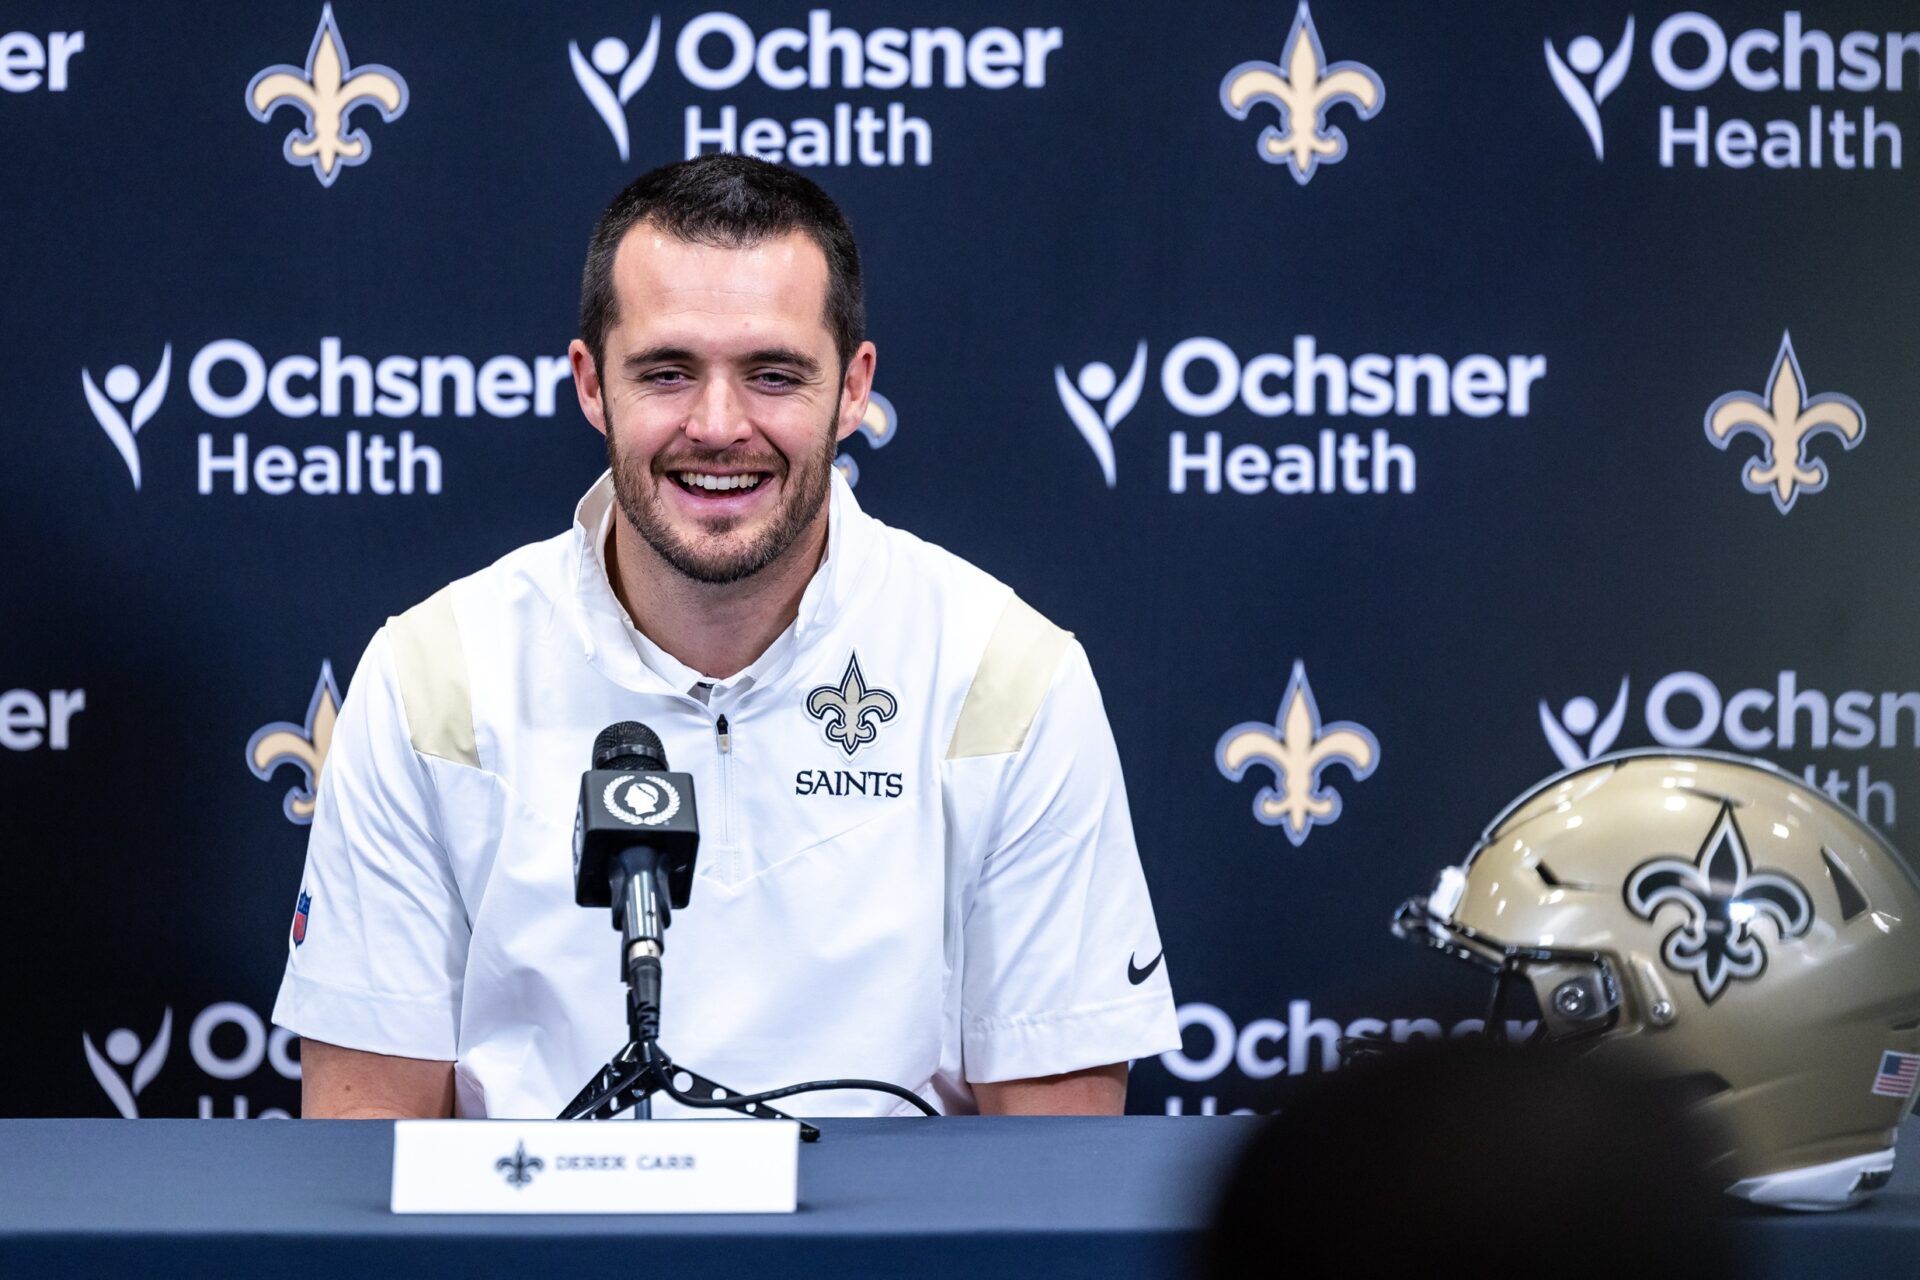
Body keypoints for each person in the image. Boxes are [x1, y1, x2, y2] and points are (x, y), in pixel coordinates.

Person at [272, 154, 1180, 1119]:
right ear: (590, 384)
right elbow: (368, 1144)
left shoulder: (1007, 673)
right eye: (666, 371)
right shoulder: (432, 675)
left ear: (854, 388)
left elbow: (1056, 1169)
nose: (717, 425)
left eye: (773, 374)